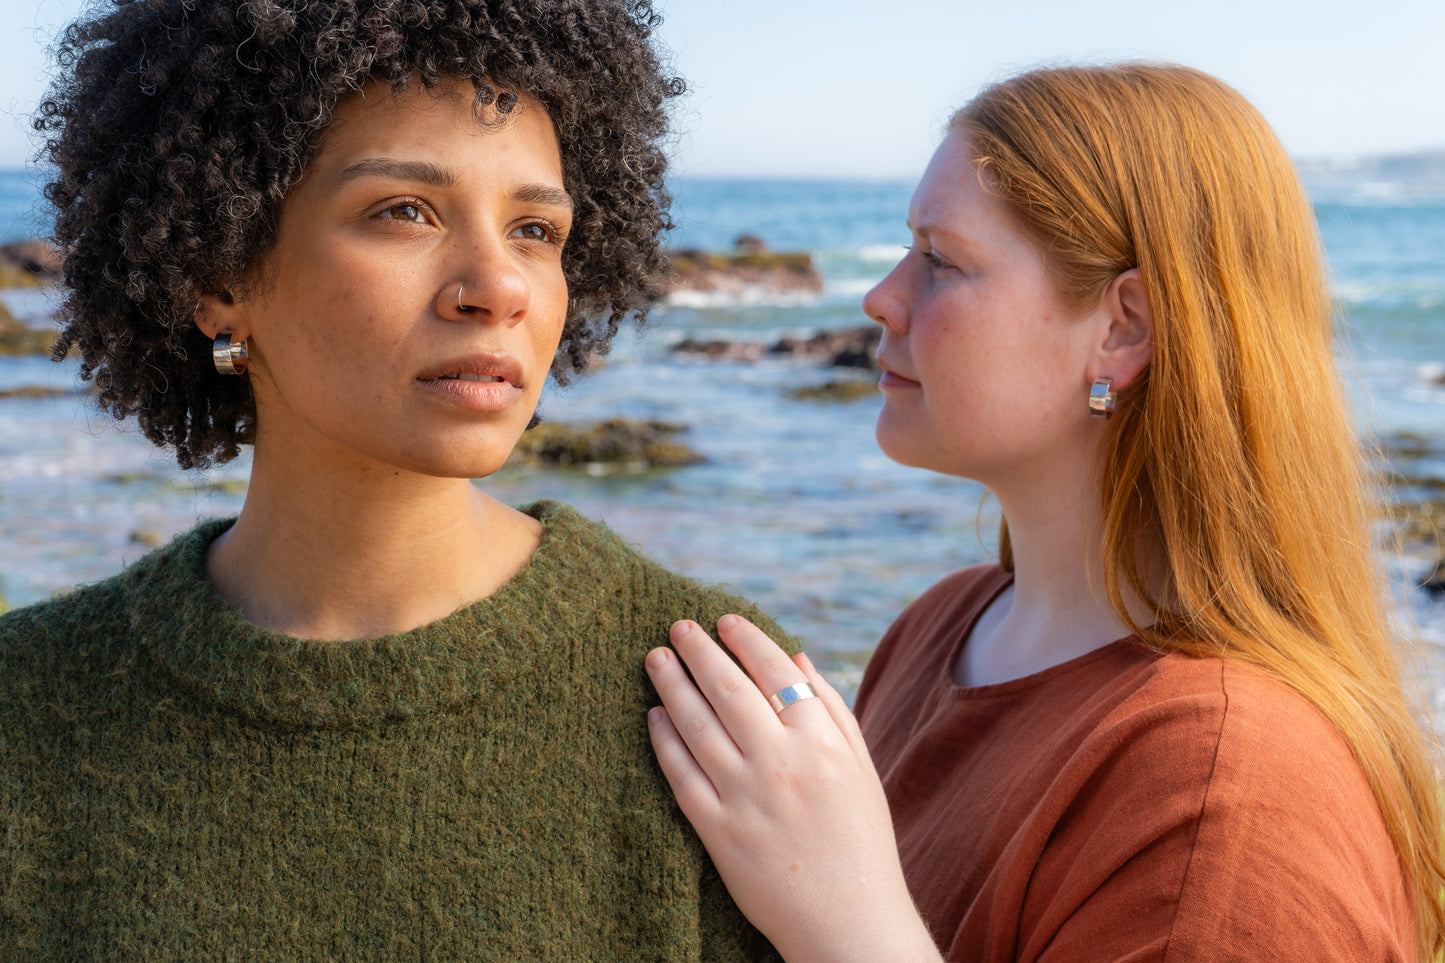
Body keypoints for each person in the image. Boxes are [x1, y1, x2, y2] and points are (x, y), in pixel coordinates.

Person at [0, 1, 791, 958]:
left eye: (537, 228)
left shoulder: (713, 694)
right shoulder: (28, 708)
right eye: (404, 212)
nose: (497, 285)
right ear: (217, 273)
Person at [645, 63, 1445, 962]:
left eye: (940, 260)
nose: (881, 297)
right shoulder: (941, 625)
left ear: (1122, 327)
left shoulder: (1231, 792)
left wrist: (840, 912)